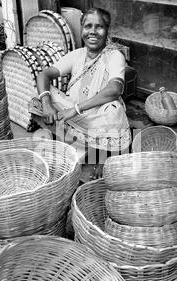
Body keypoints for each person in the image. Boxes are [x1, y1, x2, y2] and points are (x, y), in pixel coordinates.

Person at [35, 7, 131, 179]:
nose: (92, 32)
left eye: (99, 26)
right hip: (71, 113)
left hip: (95, 115)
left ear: (107, 30)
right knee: (41, 95)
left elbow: (115, 89)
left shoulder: (114, 55)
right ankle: (74, 141)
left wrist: (76, 109)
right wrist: (46, 103)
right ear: (82, 29)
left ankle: (101, 155)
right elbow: (44, 75)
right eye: (88, 26)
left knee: (114, 109)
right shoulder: (76, 55)